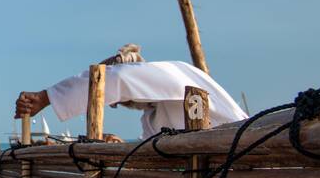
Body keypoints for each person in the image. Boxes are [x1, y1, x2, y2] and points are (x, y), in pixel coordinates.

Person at [13, 44, 248, 140]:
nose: (126, 104)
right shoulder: (156, 111)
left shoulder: (169, 73)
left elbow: (115, 79)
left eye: (123, 100)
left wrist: (46, 97)